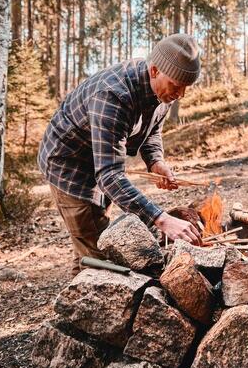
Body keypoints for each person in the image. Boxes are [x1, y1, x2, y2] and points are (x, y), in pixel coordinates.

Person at [38, 33, 204, 273]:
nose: (180, 95)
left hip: (100, 161)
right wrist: (161, 219)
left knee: (93, 242)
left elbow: (152, 128)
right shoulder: (113, 95)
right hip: (70, 166)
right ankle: (87, 294)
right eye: (177, 87)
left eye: (185, 88)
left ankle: (81, 278)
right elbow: (110, 176)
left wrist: (155, 161)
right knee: (101, 257)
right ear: (155, 70)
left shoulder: (162, 91)